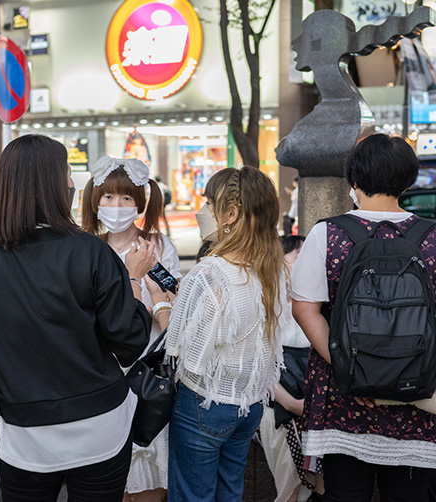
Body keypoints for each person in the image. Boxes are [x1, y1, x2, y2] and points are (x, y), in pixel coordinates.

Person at [0, 134, 154, 502]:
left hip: (23, 433)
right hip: (100, 427)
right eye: (67, 173)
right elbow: (129, 341)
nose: (70, 182)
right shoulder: (91, 252)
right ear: (53, 183)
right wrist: (132, 279)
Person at [291, 133, 436, 501]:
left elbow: (305, 310)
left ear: (354, 180)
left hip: (345, 399)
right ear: (407, 179)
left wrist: (350, 369)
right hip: (414, 396)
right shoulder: (431, 237)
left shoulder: (329, 233)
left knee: (345, 492)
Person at [165, 165, 287, 502]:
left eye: (208, 203)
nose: (202, 211)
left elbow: (181, 351)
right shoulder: (272, 269)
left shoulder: (210, 273)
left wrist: (163, 308)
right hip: (249, 405)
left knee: (193, 495)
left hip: (204, 402)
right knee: (230, 490)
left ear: (230, 213)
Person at [82, 157, 180, 502]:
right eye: (108, 197)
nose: (116, 206)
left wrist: (151, 292)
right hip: (101, 368)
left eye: (125, 198)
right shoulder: (86, 247)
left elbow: (176, 300)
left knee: (149, 456)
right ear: (94, 200)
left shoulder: (158, 247)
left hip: (147, 370)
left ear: (140, 201)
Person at [259, 235, 324, 502]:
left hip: (314, 398)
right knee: (290, 481)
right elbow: (259, 365)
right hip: (277, 400)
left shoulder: (319, 304)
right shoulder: (265, 304)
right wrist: (291, 403)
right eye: (298, 258)